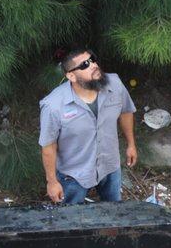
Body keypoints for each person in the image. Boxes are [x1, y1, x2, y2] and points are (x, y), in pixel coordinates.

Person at [38, 48, 137, 204]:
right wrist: (52, 181)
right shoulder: (53, 106)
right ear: (71, 76)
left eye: (92, 59)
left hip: (109, 165)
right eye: (84, 65)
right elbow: (48, 146)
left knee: (113, 211)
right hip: (73, 174)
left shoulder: (115, 84)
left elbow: (126, 111)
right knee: (71, 218)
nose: (93, 65)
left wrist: (131, 144)